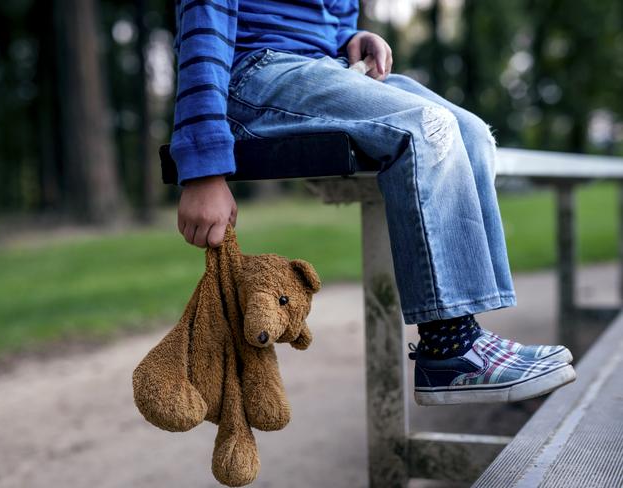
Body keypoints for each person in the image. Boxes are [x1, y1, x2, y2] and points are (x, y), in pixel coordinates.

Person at [171, 0, 576, 405]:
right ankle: (449, 347)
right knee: (424, 126)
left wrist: (349, 38)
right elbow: (203, 24)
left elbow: (323, 14)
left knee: (472, 134)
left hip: (327, 65)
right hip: (251, 72)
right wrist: (202, 167)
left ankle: (467, 334)